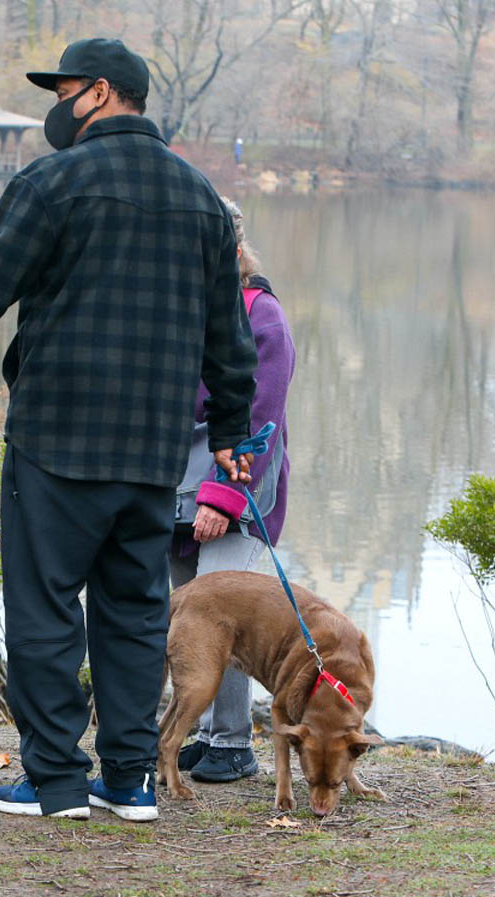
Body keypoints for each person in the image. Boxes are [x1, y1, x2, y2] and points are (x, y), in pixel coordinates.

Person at [0, 37, 257, 821]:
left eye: (64, 90)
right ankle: (130, 780)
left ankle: (53, 780)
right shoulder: (202, 198)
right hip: (152, 448)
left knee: (44, 608)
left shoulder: (52, 182)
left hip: (56, 440)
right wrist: (229, 432)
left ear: (101, 92)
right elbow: (229, 337)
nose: (57, 105)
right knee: (135, 611)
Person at [170, 197, 295, 783]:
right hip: (175, 486)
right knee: (189, 621)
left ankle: (232, 743)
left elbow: (259, 419)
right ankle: (199, 734)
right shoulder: (180, 308)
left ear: (237, 250)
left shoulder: (263, 318)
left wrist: (222, 497)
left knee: (226, 615)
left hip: (238, 490)